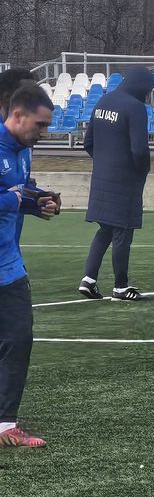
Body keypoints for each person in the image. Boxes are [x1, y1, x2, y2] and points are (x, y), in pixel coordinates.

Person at [1, 82, 59, 448]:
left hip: (9, 264)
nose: (44, 132)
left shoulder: (23, 151)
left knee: (19, 340)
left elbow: (15, 196)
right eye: (39, 125)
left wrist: (36, 204)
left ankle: (5, 425)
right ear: (17, 115)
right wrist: (13, 198)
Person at [79, 66, 154, 301]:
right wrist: (142, 170)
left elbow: (88, 142)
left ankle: (88, 280)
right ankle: (121, 287)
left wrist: (105, 163)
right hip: (126, 179)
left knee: (105, 229)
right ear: (141, 87)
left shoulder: (103, 100)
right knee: (123, 231)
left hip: (102, 177)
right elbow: (140, 149)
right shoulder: (135, 107)